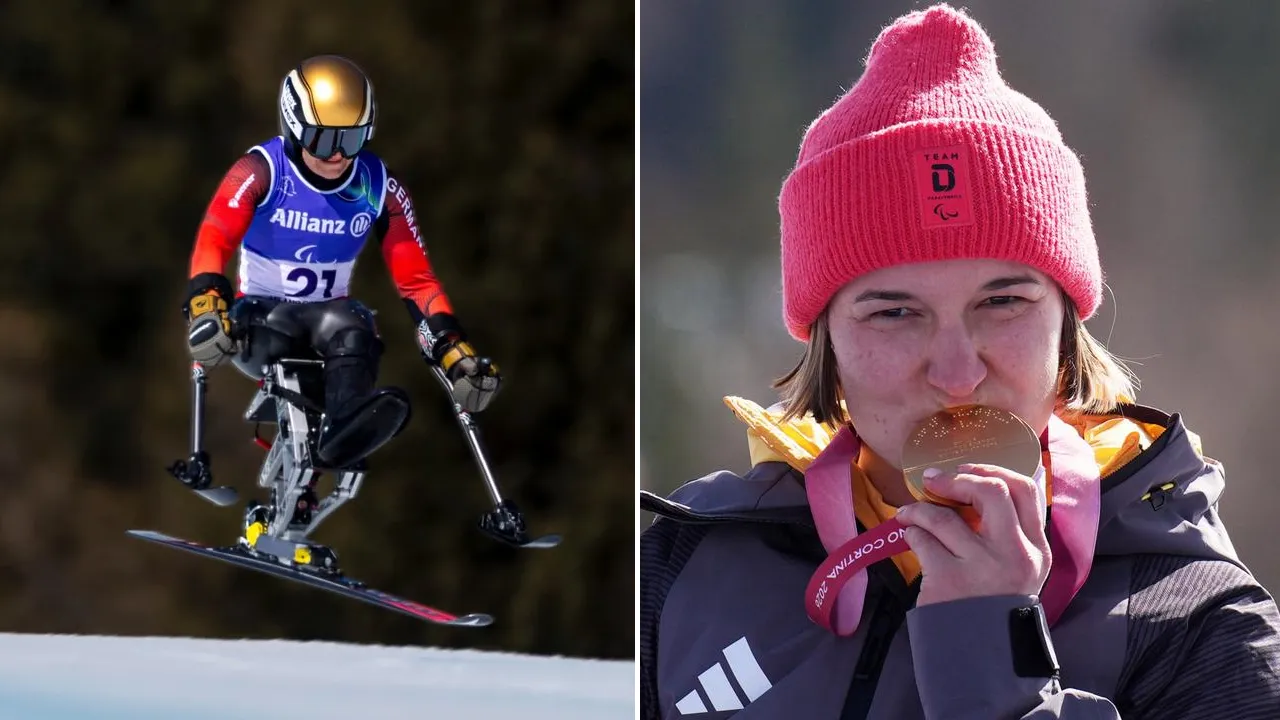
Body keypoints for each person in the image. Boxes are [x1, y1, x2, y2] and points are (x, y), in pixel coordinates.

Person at [639, 5, 1280, 719]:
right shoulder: (682, 566)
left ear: (1067, 324)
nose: (956, 372)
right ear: (826, 342)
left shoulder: (1197, 622)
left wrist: (988, 659)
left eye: (1002, 302)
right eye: (894, 312)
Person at [183, 54, 501, 473]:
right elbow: (215, 236)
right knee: (293, 332)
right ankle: (321, 439)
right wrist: (207, 300)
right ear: (294, 128)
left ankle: (345, 429)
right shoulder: (262, 169)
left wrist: (450, 346)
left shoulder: (376, 185)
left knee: (357, 324)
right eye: (323, 139)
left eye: (351, 141)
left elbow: (416, 279)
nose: (336, 156)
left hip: (329, 325)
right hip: (259, 320)